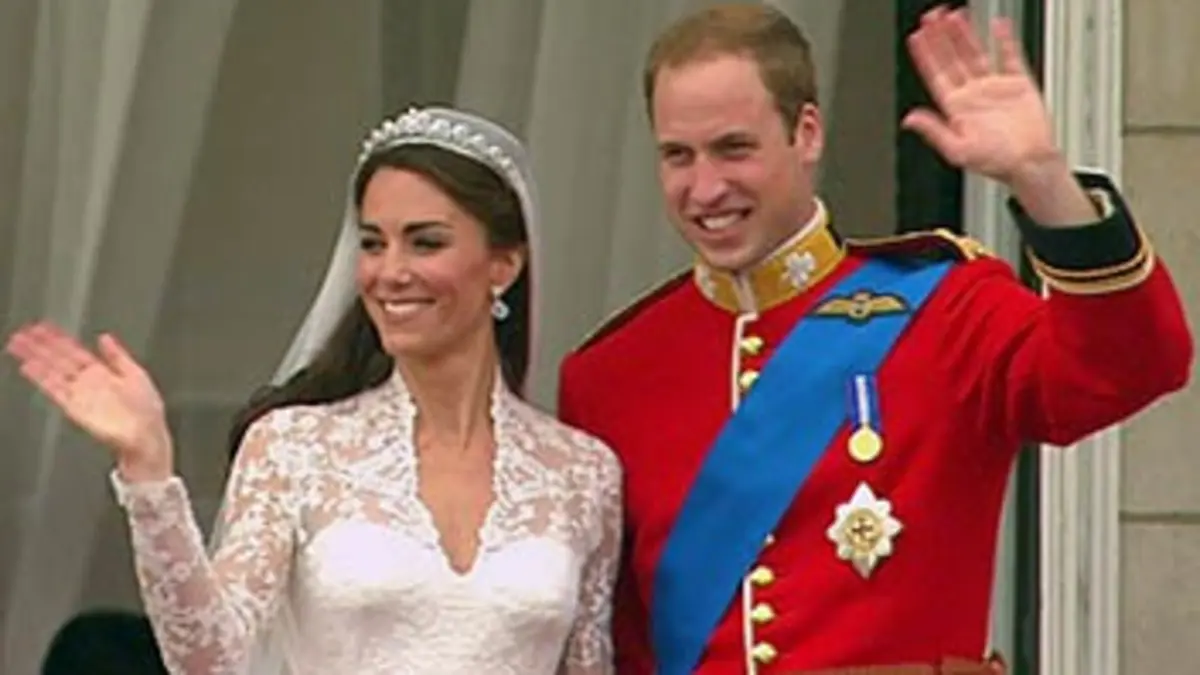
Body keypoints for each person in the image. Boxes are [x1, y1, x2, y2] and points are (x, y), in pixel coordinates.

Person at [557, 4, 1191, 675]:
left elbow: (1136, 365)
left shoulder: (945, 312)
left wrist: (1042, 180)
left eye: (734, 148)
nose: (706, 187)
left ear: (807, 134)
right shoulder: (609, 375)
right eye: (678, 156)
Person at [6, 105, 622, 675]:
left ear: (504, 265)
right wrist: (148, 469)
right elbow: (210, 660)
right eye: (373, 243)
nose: (390, 272)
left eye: (425, 242)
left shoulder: (583, 473)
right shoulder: (292, 446)